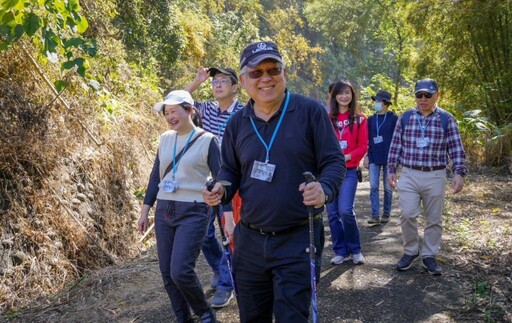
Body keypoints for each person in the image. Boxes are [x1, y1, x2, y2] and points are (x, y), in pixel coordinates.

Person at [202, 41, 345, 322]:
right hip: (250, 241)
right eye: (256, 73)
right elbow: (229, 170)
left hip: (298, 238)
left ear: (284, 73)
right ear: (243, 81)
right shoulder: (237, 123)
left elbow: (334, 161)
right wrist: (221, 188)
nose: (266, 78)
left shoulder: (309, 112)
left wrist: (325, 189)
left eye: (273, 69)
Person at [137, 90, 219, 322]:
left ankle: (204, 312)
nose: (170, 117)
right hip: (165, 209)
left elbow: (221, 175)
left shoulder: (207, 140)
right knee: (167, 273)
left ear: (190, 110)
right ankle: (183, 318)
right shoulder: (165, 139)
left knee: (180, 271)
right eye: (166, 113)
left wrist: (216, 193)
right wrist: (145, 210)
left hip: (194, 210)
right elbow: (156, 177)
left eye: (174, 111)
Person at [387, 78, 468, 276]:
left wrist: (459, 172)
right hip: (409, 173)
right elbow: (396, 145)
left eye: (427, 95)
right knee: (407, 214)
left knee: (434, 219)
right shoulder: (405, 118)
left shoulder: (446, 119)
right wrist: (391, 169)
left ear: (436, 96)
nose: (423, 99)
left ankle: (429, 255)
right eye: (419, 95)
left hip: (435, 174)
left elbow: (455, 147)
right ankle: (410, 250)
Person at [185, 67, 244, 308]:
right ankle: (222, 269)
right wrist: (197, 81)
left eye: (223, 81)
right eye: (214, 82)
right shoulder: (206, 109)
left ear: (234, 86)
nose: (217, 85)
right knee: (205, 234)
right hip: (207, 181)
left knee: (229, 232)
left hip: (233, 182)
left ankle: (226, 285)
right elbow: (177, 102)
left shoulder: (243, 112)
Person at [327, 80, 368, 266]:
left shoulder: (360, 119)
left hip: (349, 170)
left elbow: (363, 146)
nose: (344, 96)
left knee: (345, 210)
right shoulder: (327, 119)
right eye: (340, 93)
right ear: (334, 96)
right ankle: (341, 251)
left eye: (347, 93)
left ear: (352, 95)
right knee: (332, 213)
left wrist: (348, 157)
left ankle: (355, 249)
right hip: (328, 172)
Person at [363, 90, 398, 226]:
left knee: (388, 187)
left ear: (386, 104)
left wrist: (397, 159)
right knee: (373, 186)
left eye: (379, 101)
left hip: (389, 158)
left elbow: (397, 139)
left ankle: (386, 213)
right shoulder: (371, 120)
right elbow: (367, 139)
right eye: (376, 101)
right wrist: (366, 155)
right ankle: (375, 215)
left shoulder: (393, 118)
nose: (376, 103)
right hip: (373, 156)